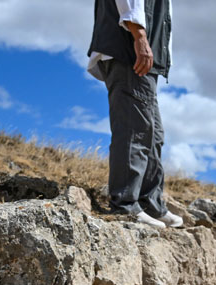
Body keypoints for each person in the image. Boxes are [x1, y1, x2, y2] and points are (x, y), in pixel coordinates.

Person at [88, 0, 181, 230]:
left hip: (140, 59)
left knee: (153, 133)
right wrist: (139, 36)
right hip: (128, 53)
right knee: (134, 129)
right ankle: (125, 205)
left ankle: (150, 203)